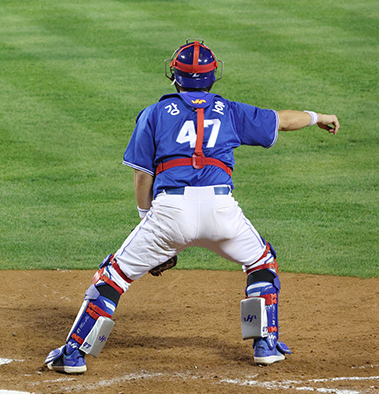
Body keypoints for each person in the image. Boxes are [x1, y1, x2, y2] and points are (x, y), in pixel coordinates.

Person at [44, 40, 340, 373]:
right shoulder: (229, 110)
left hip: (171, 213)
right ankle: (265, 343)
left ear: (174, 75)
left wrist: (150, 226)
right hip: (221, 211)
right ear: (215, 75)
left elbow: (143, 178)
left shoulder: (155, 113)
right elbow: (282, 120)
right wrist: (318, 117)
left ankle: (74, 353)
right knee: (261, 263)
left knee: (113, 277)